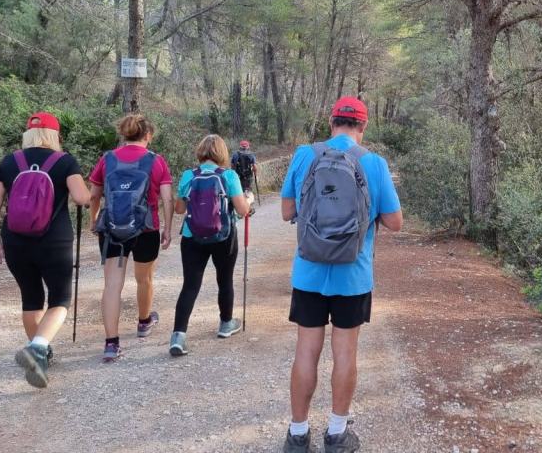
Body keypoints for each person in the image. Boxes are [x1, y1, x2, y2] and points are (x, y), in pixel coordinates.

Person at [280, 97, 403, 453]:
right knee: (345, 352)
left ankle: (298, 434)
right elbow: (395, 223)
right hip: (353, 275)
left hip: (309, 272)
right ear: (363, 127)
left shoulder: (305, 155)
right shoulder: (374, 163)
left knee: (306, 350)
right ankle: (337, 434)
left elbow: (288, 208)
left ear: (331, 122)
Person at [0, 112, 91, 388]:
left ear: (28, 134)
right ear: (55, 135)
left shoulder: (10, 162)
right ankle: (38, 347)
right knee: (60, 299)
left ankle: (40, 357)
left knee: (30, 297)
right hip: (54, 240)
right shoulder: (65, 161)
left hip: (15, 239)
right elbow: (82, 198)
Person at [88, 114, 174, 362]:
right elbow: (167, 198)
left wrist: (95, 220)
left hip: (112, 229)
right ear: (148, 135)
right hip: (146, 229)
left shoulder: (107, 159)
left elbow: (94, 195)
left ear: (125, 134)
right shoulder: (156, 161)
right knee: (144, 278)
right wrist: (167, 228)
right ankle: (144, 322)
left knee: (113, 285)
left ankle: (112, 343)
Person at [169, 134, 255, 356]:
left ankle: (178, 336)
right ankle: (226, 324)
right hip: (223, 236)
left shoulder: (189, 175)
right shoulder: (229, 176)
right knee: (224, 280)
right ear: (222, 153)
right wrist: (250, 199)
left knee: (190, 285)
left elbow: (179, 209)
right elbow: (242, 210)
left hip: (192, 236)